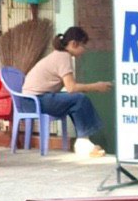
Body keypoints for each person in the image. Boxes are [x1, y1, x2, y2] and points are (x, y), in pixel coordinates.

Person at [22, 26, 112, 158]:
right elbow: (71, 88)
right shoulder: (63, 57)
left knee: (76, 101)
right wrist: (96, 86)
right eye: (83, 46)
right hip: (35, 101)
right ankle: (83, 143)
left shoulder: (60, 55)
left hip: (31, 100)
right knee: (80, 99)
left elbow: (70, 88)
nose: (84, 50)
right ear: (74, 44)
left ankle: (83, 142)